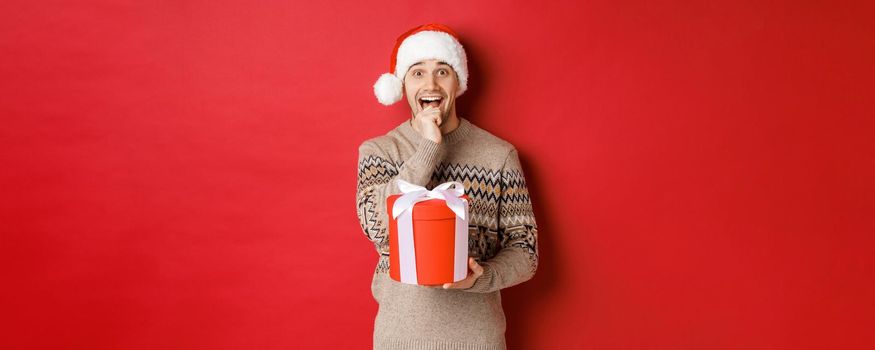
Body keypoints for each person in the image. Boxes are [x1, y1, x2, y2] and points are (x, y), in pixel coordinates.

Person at [356, 23, 539, 350]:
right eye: (417, 73)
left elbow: (525, 250)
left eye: (442, 71)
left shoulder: (498, 155)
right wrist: (429, 148)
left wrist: (480, 278)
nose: (430, 84)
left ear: (458, 82)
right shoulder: (379, 151)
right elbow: (374, 225)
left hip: (476, 339)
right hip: (399, 339)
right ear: (401, 84)